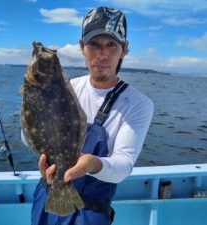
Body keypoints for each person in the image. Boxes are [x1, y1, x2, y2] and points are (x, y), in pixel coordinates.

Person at [24, 6, 154, 225]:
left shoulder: (139, 104)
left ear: (124, 49)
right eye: (94, 44)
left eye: (111, 44)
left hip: (90, 211)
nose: (102, 54)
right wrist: (32, 98)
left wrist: (93, 164)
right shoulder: (69, 88)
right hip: (46, 193)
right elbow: (27, 135)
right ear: (82, 47)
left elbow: (123, 165)